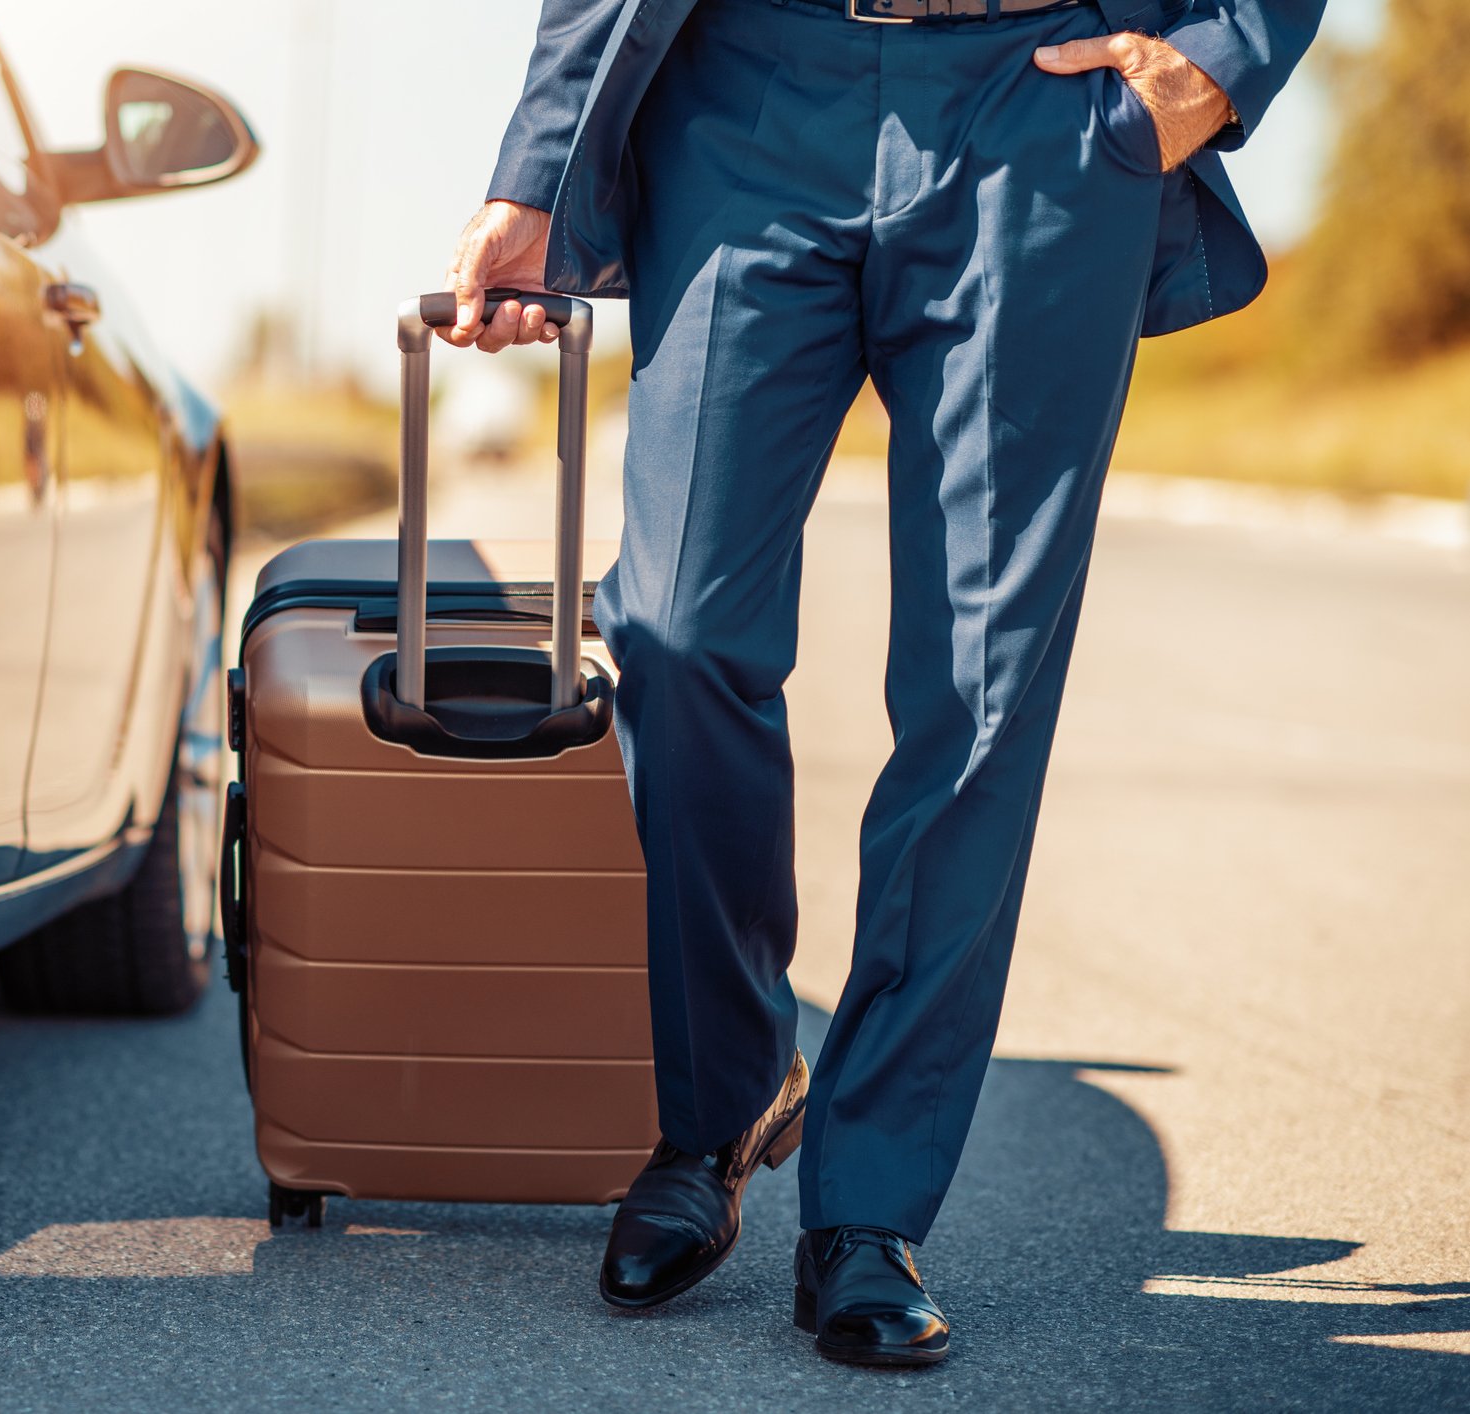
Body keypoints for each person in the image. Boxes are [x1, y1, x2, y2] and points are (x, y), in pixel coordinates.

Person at [446, 0, 1324, 1367]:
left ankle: (869, 1205)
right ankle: (727, 1094)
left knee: (982, 685)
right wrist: (536, 168)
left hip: (1039, 101)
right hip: (748, 93)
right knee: (674, 627)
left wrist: (1217, 61)